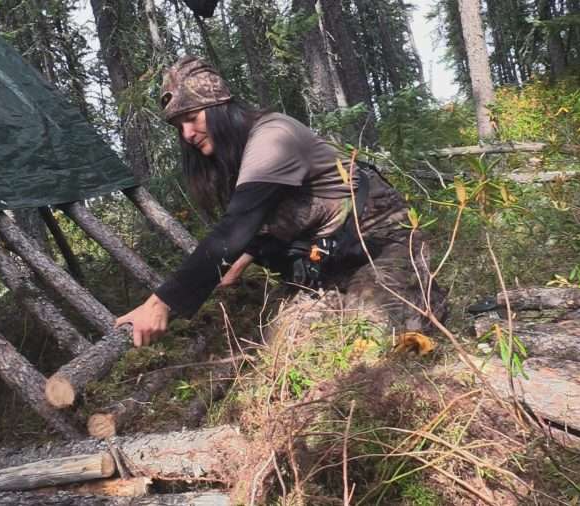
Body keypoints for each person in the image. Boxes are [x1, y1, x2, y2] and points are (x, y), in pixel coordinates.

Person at [116, 56, 437, 346]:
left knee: (374, 331)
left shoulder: (272, 138)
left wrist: (160, 302)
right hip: (330, 261)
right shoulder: (237, 156)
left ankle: (424, 296)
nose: (186, 133)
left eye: (192, 117)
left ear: (219, 107)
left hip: (385, 245)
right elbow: (266, 220)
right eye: (178, 126)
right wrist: (245, 256)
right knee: (292, 339)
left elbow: (235, 228)